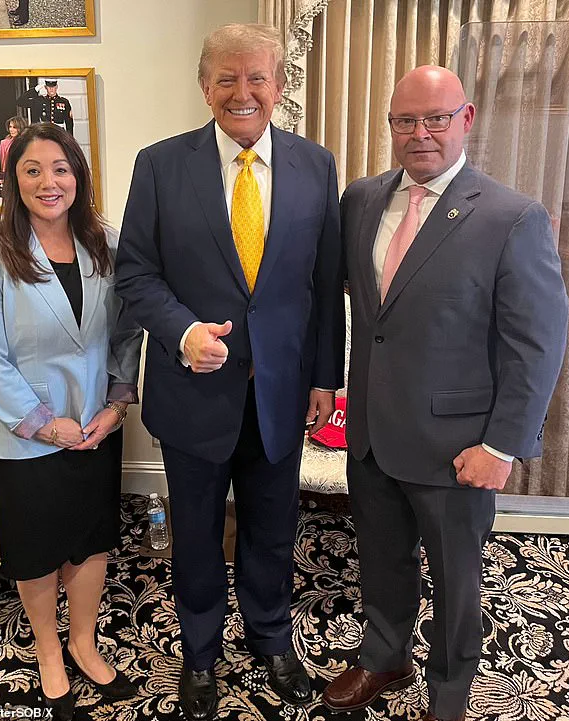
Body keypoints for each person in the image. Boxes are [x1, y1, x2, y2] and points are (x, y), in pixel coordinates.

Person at [322, 66, 569, 721]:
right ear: (391, 126)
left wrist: (501, 446)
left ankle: (450, 694)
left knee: (457, 579)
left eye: (436, 118)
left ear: (467, 119)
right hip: (371, 432)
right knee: (381, 559)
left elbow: (537, 344)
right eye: (406, 120)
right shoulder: (360, 201)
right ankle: (385, 656)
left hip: (458, 447)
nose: (420, 133)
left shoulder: (512, 218)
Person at [115, 22, 345, 721]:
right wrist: (183, 331)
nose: (242, 92)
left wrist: (325, 378)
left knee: (273, 529)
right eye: (226, 78)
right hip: (192, 394)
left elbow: (323, 283)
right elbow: (135, 274)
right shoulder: (160, 165)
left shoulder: (316, 165)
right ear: (203, 85)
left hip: (280, 393)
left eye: (257, 78)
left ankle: (273, 639)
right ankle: (199, 652)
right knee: (195, 532)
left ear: (280, 85)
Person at [0, 123, 142, 721]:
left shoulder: (107, 243)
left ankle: (83, 643)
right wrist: (44, 424)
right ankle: (48, 651)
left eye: (60, 169)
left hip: (96, 427)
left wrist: (116, 405)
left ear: (78, 176)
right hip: (24, 437)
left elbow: (126, 331)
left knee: (91, 541)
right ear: (13, 179)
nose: (48, 182)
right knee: (37, 549)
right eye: (32, 170)